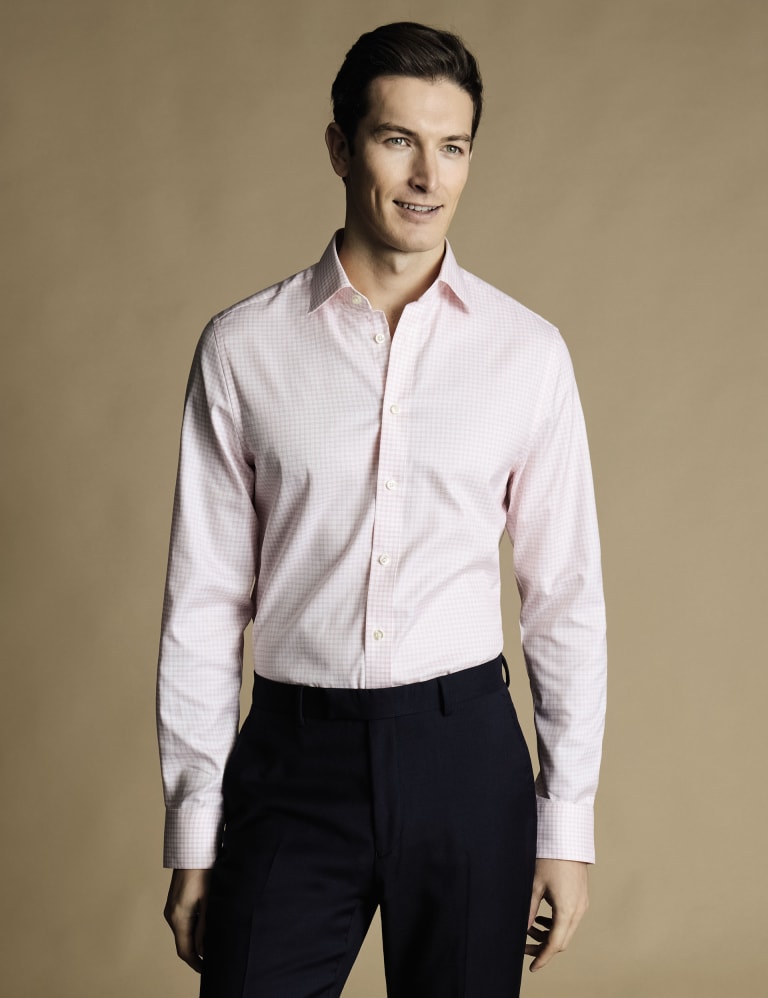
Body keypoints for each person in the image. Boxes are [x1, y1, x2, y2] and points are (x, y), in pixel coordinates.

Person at [158, 21, 606, 998]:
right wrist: (193, 831)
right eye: (398, 139)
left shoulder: (527, 354)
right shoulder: (243, 348)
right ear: (340, 147)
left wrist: (565, 824)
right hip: (292, 762)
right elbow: (204, 601)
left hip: (465, 757)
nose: (427, 176)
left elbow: (564, 597)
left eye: (453, 146)